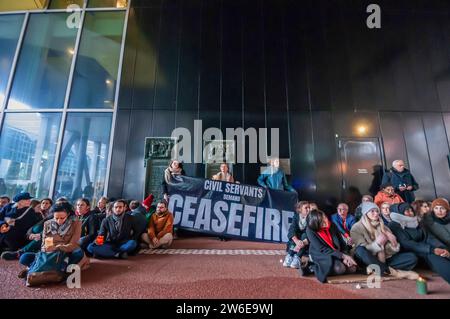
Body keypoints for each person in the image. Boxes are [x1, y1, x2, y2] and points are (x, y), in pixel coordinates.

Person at [17, 203, 89, 281]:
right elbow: (44, 244)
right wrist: (46, 248)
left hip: (68, 250)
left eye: (62, 218)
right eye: (56, 218)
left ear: (68, 214)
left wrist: (57, 247)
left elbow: (73, 244)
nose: (59, 221)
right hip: (51, 253)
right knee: (24, 257)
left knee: (78, 253)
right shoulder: (47, 223)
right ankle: (55, 269)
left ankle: (37, 269)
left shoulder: (76, 223)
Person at [351, 202, 418, 279]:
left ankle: (373, 269)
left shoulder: (384, 227)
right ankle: (390, 271)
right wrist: (377, 244)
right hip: (365, 259)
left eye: (377, 211)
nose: (376, 213)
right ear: (365, 213)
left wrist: (394, 244)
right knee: (360, 249)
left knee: (412, 258)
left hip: (384, 259)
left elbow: (391, 252)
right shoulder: (356, 228)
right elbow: (363, 252)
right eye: (372, 211)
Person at [388, 202, 450, 284]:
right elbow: (407, 244)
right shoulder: (394, 224)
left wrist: (441, 248)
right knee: (433, 256)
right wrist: (432, 249)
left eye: (411, 210)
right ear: (399, 213)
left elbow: (429, 237)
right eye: (407, 211)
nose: (410, 213)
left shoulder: (416, 221)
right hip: (410, 252)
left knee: (443, 253)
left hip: (424, 248)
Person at [306, 209, 358, 283]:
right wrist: (342, 256)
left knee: (352, 269)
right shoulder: (310, 230)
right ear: (316, 225)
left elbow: (342, 243)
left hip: (336, 251)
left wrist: (346, 256)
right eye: (322, 223)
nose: (326, 222)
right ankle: (313, 267)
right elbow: (322, 249)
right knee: (340, 268)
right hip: (322, 253)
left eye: (325, 218)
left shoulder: (332, 225)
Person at [283, 201, 311, 274]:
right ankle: (290, 255)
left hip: (306, 240)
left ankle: (297, 257)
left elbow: (310, 232)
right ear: (300, 209)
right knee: (293, 238)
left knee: (304, 235)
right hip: (298, 240)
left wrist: (302, 242)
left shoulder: (311, 217)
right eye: (306, 208)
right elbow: (292, 229)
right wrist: (296, 241)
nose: (308, 209)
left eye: (309, 207)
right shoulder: (296, 217)